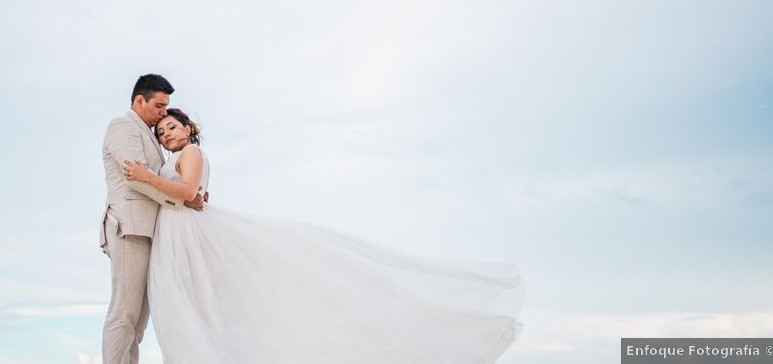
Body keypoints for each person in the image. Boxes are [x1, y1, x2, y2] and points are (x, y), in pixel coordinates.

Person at [123, 108, 524, 364]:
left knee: (202, 305)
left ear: (189, 127)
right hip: (182, 232)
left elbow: (189, 193)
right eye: (160, 132)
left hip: (191, 234)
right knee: (202, 307)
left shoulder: (190, 153)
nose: (166, 135)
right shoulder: (178, 159)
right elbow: (189, 195)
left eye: (171, 126)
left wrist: (145, 177)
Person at [100, 74, 206, 364]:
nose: (163, 112)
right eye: (159, 106)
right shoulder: (122, 126)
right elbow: (134, 177)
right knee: (124, 313)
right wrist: (182, 198)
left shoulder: (152, 137)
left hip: (153, 231)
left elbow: (162, 179)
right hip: (130, 227)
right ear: (139, 100)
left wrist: (186, 192)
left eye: (167, 107)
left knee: (138, 322)